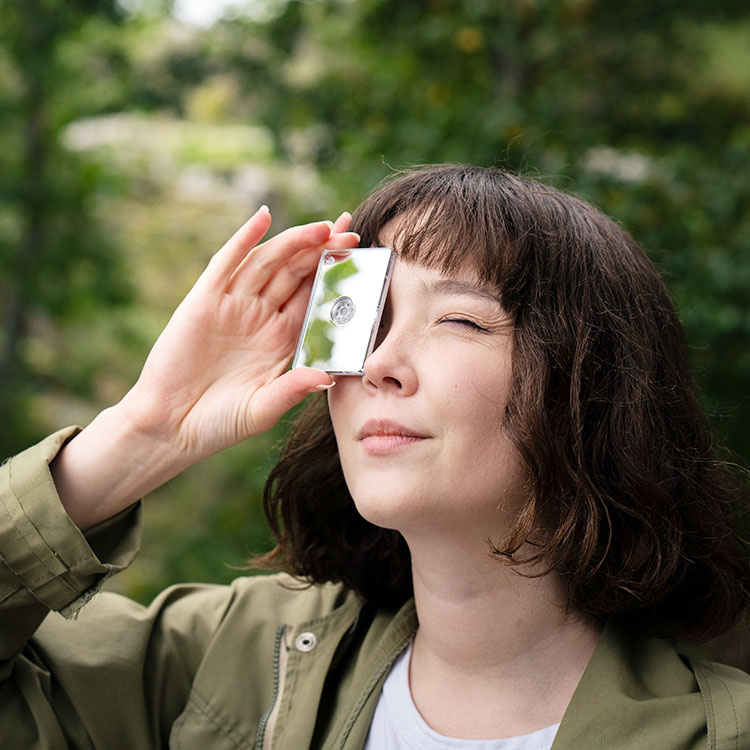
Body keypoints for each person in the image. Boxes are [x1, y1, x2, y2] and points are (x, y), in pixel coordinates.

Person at [1, 164, 748, 749]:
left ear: (594, 390)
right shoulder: (234, 662)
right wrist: (143, 432)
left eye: (457, 318)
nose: (378, 363)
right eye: (363, 320)